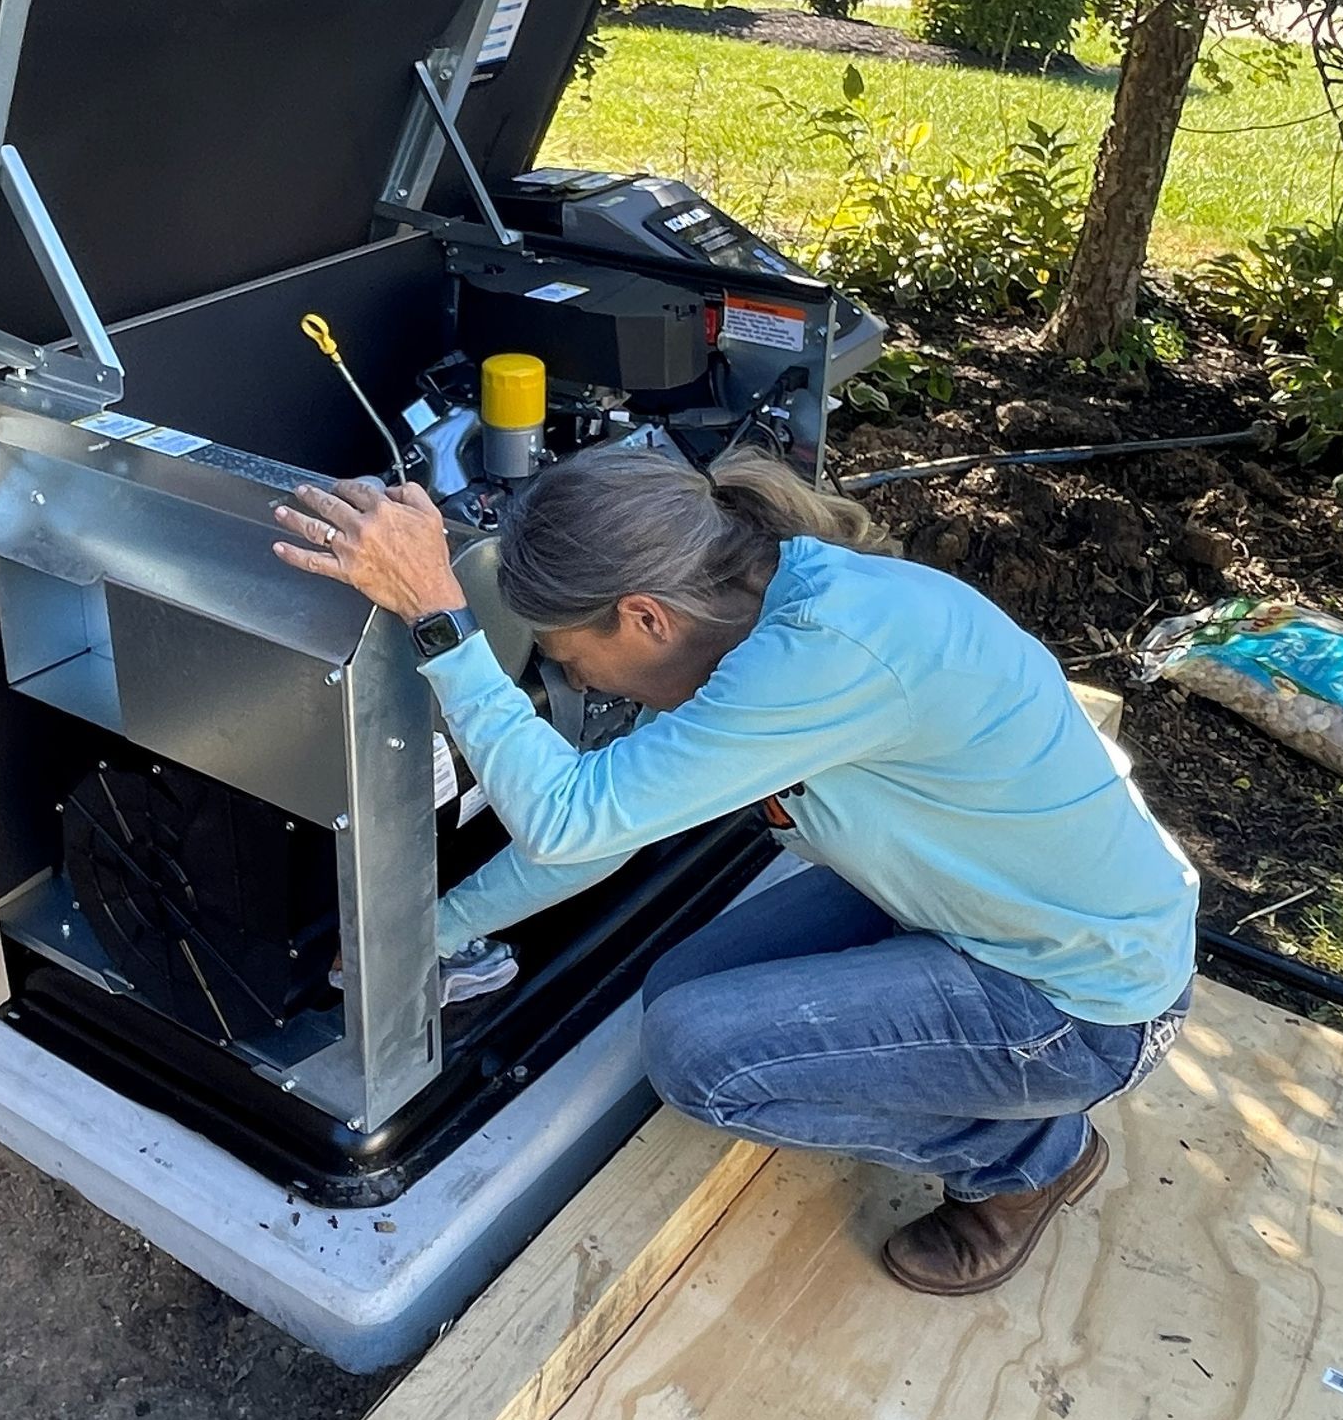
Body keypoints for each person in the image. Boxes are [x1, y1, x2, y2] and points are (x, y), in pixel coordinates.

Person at [273, 445, 1199, 1296]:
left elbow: (564, 819)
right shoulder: (752, 626)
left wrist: (441, 620)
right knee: (685, 986)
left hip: (1085, 1001)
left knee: (703, 1059)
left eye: (567, 658)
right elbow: (600, 831)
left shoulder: (828, 653)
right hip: (982, 906)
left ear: (645, 617)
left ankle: (1030, 1163)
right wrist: (423, 935)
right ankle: (1007, 1105)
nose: (580, 687)